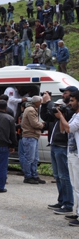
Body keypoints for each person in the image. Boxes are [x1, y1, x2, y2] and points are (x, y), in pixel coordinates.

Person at [41, 88, 77, 216]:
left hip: (63, 146)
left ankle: (68, 204)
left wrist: (49, 102)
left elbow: (64, 114)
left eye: (66, 93)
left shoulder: (71, 111)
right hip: (55, 144)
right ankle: (62, 200)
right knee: (57, 175)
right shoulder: (63, 108)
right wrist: (44, 104)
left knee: (64, 176)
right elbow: (45, 116)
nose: (63, 95)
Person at [55, 91, 79, 226]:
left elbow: (69, 128)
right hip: (72, 152)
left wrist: (61, 117)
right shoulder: (75, 115)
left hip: (77, 154)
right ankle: (77, 211)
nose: (70, 103)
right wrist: (61, 117)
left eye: (73, 101)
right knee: (75, 185)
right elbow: (63, 129)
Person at [20, 96, 46, 184]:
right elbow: (34, 124)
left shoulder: (30, 109)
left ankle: (34, 175)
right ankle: (28, 176)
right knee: (29, 158)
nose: (41, 103)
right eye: (40, 101)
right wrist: (42, 125)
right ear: (36, 102)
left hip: (33, 136)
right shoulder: (31, 110)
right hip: (30, 136)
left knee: (34, 158)